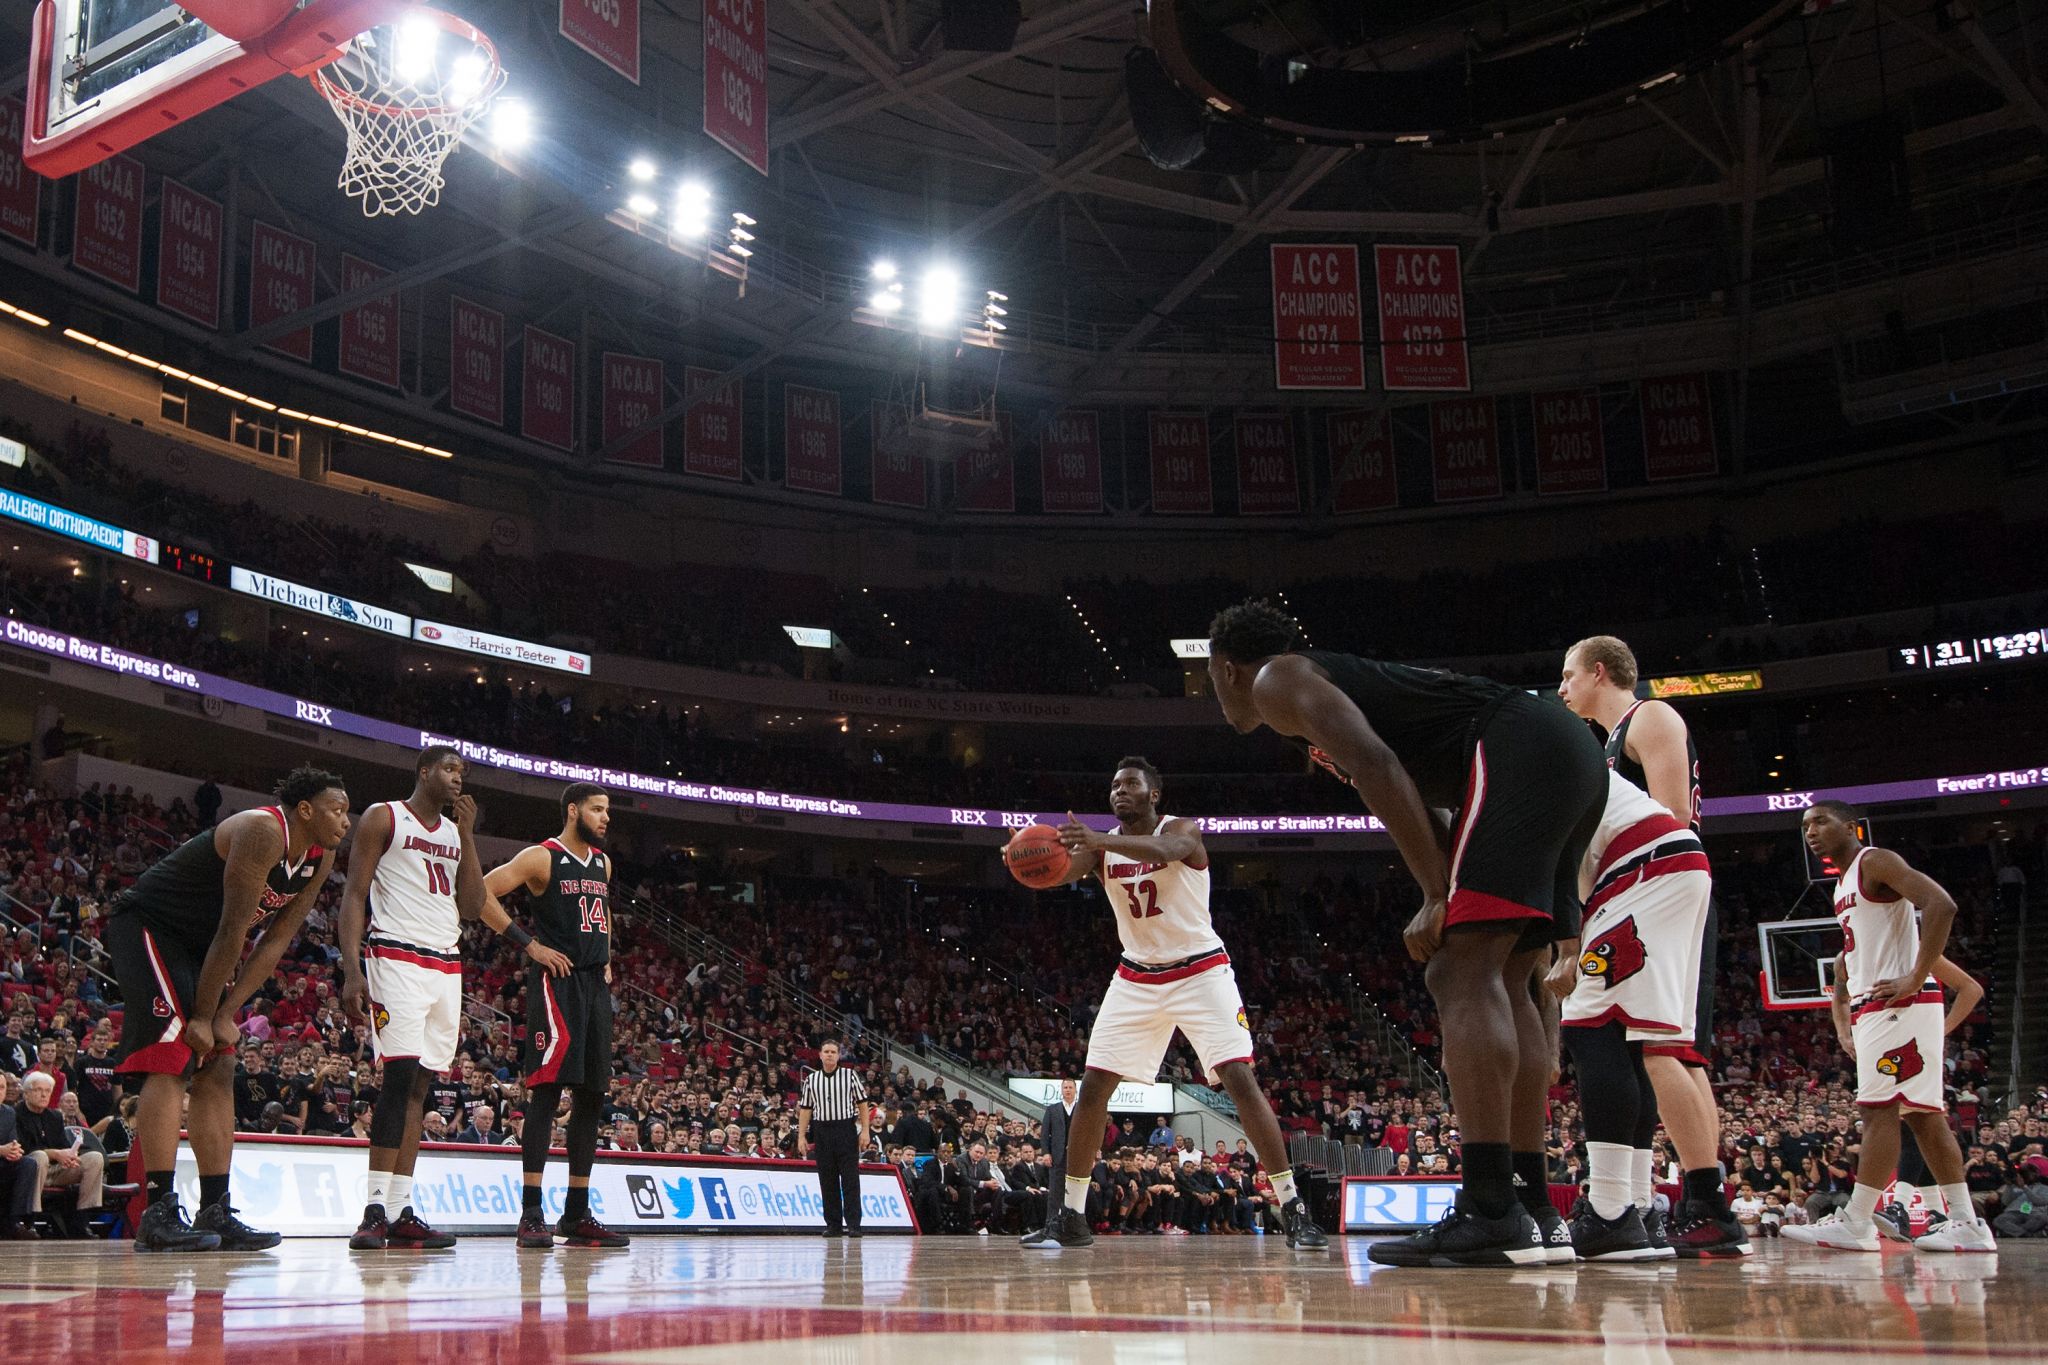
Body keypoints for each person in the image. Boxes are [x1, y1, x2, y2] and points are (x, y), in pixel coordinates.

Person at [1207, 600, 1603, 1267]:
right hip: (1566, 754)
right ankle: (1533, 1206)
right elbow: (1431, 802)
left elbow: (1376, 766)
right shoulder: (1333, 680)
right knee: (1510, 974)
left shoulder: (1277, 680)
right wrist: (1452, 886)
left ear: (1225, 668)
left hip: (1519, 746)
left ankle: (1489, 1207)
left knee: (1459, 970)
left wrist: (1437, 892)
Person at [1028, 755, 1325, 1251]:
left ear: (1154, 795)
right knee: (1094, 1085)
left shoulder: (1181, 828)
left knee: (1238, 1077)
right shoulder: (1101, 851)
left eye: (1130, 784)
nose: (1119, 791)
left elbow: (1171, 849)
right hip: (1136, 975)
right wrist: (1027, 857)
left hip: (1201, 971)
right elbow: (1059, 871)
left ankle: (1294, 1208)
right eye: (1114, 785)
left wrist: (1102, 840)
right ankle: (1070, 1218)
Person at [109, 766, 349, 1252]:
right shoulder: (262, 830)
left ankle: (215, 1208)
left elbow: (276, 938)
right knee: (173, 1056)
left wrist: (225, 1014)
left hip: (202, 947)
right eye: (337, 810)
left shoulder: (320, 855)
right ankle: (157, 1211)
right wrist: (202, 1016)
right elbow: (233, 929)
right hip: (150, 925)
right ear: (305, 810)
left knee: (220, 1065)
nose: (347, 820)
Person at [1557, 636, 1741, 1257]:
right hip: (1646, 888)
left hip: (1656, 883)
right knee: (1667, 1050)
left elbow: (1669, 819)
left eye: (1568, 675)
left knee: (1666, 1049)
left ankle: (1703, 1201)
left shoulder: (1650, 715)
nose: (1561, 688)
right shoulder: (1604, 744)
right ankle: (1689, 1203)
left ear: (1601, 672)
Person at [1782, 802, 1995, 1254]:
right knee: (1921, 1117)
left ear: (1850, 826)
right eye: (1805, 825)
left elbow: (1941, 903)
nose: (1811, 831)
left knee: (1879, 1112)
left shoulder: (1874, 860)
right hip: (1881, 1009)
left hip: (1899, 1003)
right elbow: (1844, 975)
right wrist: (1847, 1023)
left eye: (1821, 821)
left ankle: (1858, 1221)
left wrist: (1915, 977)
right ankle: (1966, 1223)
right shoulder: (1842, 884)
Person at [341, 747, 484, 1251]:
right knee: (398, 1079)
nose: (456, 779)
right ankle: (374, 1208)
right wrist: (352, 968)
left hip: (445, 962)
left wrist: (467, 835)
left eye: (462, 773)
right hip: (395, 955)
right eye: (448, 769)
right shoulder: (386, 816)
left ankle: (401, 1210)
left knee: (421, 1087)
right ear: (423, 772)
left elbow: (471, 906)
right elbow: (354, 892)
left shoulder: (453, 831)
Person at [478, 783, 615, 1250]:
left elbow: (603, 912)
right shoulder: (542, 857)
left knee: (592, 1097)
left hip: (595, 986)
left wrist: (608, 954)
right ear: (573, 811)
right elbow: (480, 892)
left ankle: (576, 1214)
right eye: (597, 810)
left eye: (607, 811)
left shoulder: (603, 863)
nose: (605, 818)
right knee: (546, 1093)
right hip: (556, 984)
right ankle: (531, 1212)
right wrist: (529, 944)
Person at [798, 1039, 869, 1237]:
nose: (829, 1055)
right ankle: (833, 1225)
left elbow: (863, 1103)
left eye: (833, 1052)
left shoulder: (849, 1075)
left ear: (838, 1055)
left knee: (850, 1179)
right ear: (820, 1055)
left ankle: (854, 1225)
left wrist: (865, 1131)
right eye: (826, 1051)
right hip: (822, 1131)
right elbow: (805, 1109)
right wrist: (801, 1136)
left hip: (845, 1128)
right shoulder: (812, 1080)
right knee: (827, 1181)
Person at [1018, 1079, 1078, 1245]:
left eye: (1070, 1087)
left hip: (1076, 1157)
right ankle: (1050, 1227)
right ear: (1061, 1090)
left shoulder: (1081, 1109)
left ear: (1075, 1089)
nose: (1067, 1090)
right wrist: (1046, 1153)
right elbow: (1045, 1134)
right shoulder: (1052, 1109)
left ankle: (1072, 1228)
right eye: (1065, 1087)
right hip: (1057, 1157)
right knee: (1055, 1194)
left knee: (1074, 1194)